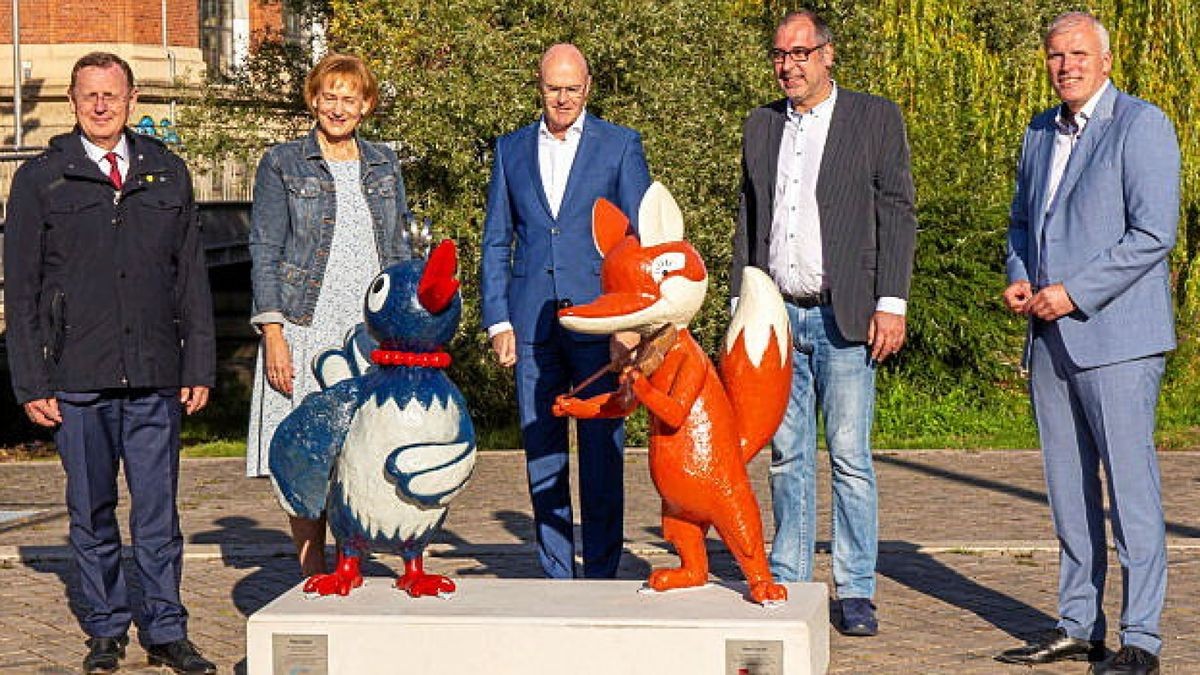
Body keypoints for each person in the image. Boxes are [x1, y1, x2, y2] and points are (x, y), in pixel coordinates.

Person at [3, 52, 217, 674]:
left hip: (154, 376)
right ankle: (104, 629)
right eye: (90, 95)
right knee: (91, 511)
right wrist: (30, 379)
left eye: (113, 95)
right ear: (73, 102)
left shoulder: (167, 173)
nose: (101, 106)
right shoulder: (43, 179)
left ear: (131, 101)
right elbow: (20, 290)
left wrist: (197, 364)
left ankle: (166, 627)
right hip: (77, 379)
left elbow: (191, 283)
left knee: (157, 512)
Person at [996, 12, 1178, 675]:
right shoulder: (1039, 131)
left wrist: (1074, 290)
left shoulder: (1142, 126)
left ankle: (1142, 637)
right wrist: (1021, 276)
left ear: (1105, 60)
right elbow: (1022, 220)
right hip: (1050, 341)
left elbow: (1153, 232)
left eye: (1078, 54)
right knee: (1068, 494)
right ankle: (1077, 623)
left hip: (1120, 339)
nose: (1065, 64)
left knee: (1131, 494)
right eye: (1054, 55)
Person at [731, 10, 917, 637]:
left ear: (829, 55)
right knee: (786, 454)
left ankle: (856, 587)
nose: (790, 65)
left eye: (802, 53)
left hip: (848, 316)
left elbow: (897, 212)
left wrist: (892, 301)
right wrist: (740, 309)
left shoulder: (873, 118)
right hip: (777, 317)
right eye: (780, 54)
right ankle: (787, 574)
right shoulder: (760, 125)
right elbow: (747, 222)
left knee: (848, 456)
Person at [480, 43, 651, 579]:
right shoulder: (510, 151)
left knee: (602, 452)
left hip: (601, 325)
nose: (563, 98)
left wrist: (631, 325)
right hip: (531, 326)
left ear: (588, 86)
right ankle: (556, 573)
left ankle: (600, 572)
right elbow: (495, 241)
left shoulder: (620, 146)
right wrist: (498, 319)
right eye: (554, 87)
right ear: (539, 85)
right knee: (542, 451)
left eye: (572, 88)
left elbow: (640, 244)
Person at [245, 53, 412, 577]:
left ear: (366, 106)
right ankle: (312, 564)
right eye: (329, 96)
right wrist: (273, 333)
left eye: (350, 98)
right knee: (306, 449)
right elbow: (265, 247)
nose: (338, 107)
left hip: (368, 327)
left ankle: (351, 556)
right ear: (314, 99)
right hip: (303, 323)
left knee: (363, 446)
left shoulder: (384, 163)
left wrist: (406, 327)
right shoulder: (282, 163)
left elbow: (399, 248)